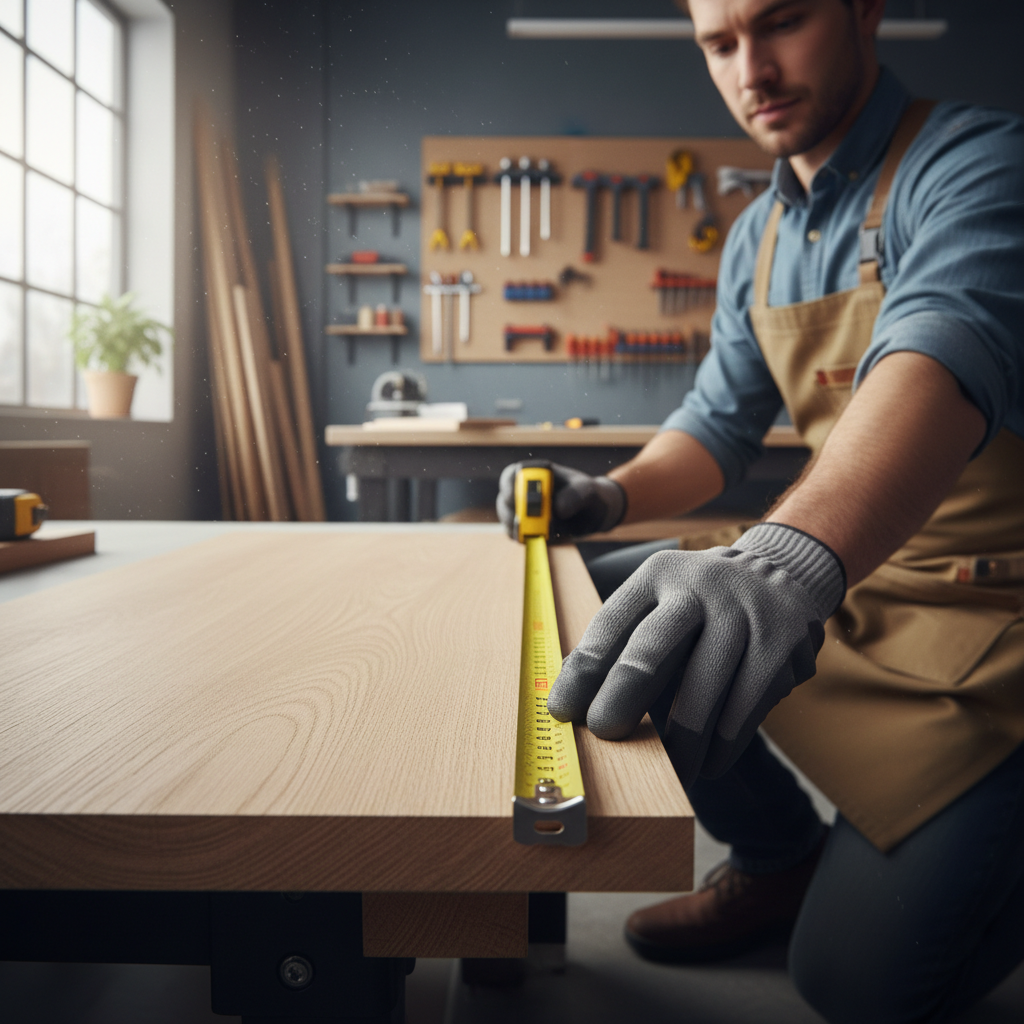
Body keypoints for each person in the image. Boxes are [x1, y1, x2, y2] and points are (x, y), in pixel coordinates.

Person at [497, 1, 1024, 1020]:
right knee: (595, 593)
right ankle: (776, 853)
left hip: (993, 621)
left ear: (863, 10)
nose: (752, 68)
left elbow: (939, 353)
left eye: (779, 20)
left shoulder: (978, 164)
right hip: (860, 587)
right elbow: (713, 429)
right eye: (718, 41)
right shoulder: (760, 236)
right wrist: (605, 495)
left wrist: (785, 558)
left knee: (853, 987)